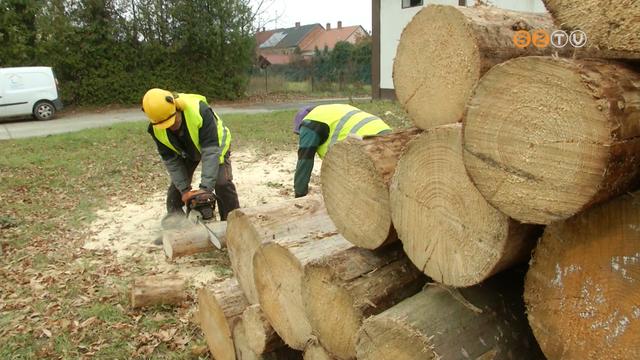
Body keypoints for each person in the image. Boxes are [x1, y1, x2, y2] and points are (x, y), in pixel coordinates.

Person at [142, 88, 240, 239]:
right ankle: (176, 231)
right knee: (174, 193)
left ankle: (235, 226)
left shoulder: (199, 110)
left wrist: (205, 188)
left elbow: (210, 151)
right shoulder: (155, 129)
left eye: (173, 120)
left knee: (222, 183)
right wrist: (185, 191)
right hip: (186, 150)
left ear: (175, 106)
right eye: (165, 124)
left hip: (216, 144)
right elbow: (171, 161)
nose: (170, 126)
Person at [293, 104, 392, 198]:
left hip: (369, 143)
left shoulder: (311, 121)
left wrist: (299, 194)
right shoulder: (332, 111)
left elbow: (305, 160)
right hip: (390, 135)